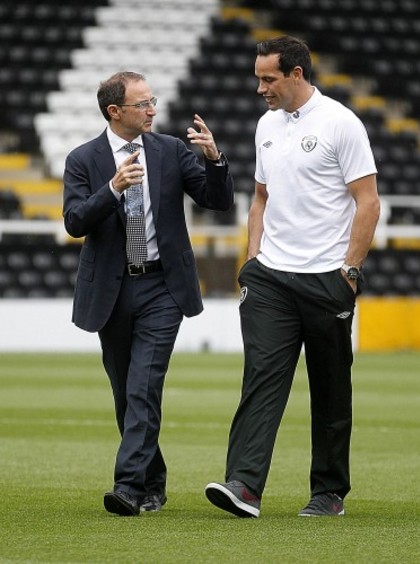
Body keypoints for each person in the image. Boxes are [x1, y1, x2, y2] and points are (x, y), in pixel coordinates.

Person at [205, 35, 380, 518]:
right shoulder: (266, 125)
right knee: (261, 379)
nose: (260, 87)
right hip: (271, 280)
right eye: (258, 77)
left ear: (297, 75)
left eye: (268, 78)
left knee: (329, 388)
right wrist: (252, 261)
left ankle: (328, 493)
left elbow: (368, 202)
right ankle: (243, 485)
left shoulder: (342, 123)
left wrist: (350, 269)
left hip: (327, 278)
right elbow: (259, 199)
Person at [63, 71, 234, 516]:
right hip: (112, 290)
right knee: (126, 394)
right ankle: (153, 482)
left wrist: (215, 160)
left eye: (152, 101)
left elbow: (216, 202)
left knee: (143, 386)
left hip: (163, 286)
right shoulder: (83, 159)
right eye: (143, 104)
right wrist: (112, 189)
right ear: (115, 111)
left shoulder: (171, 151)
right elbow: (75, 221)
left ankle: (127, 487)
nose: (152, 109)